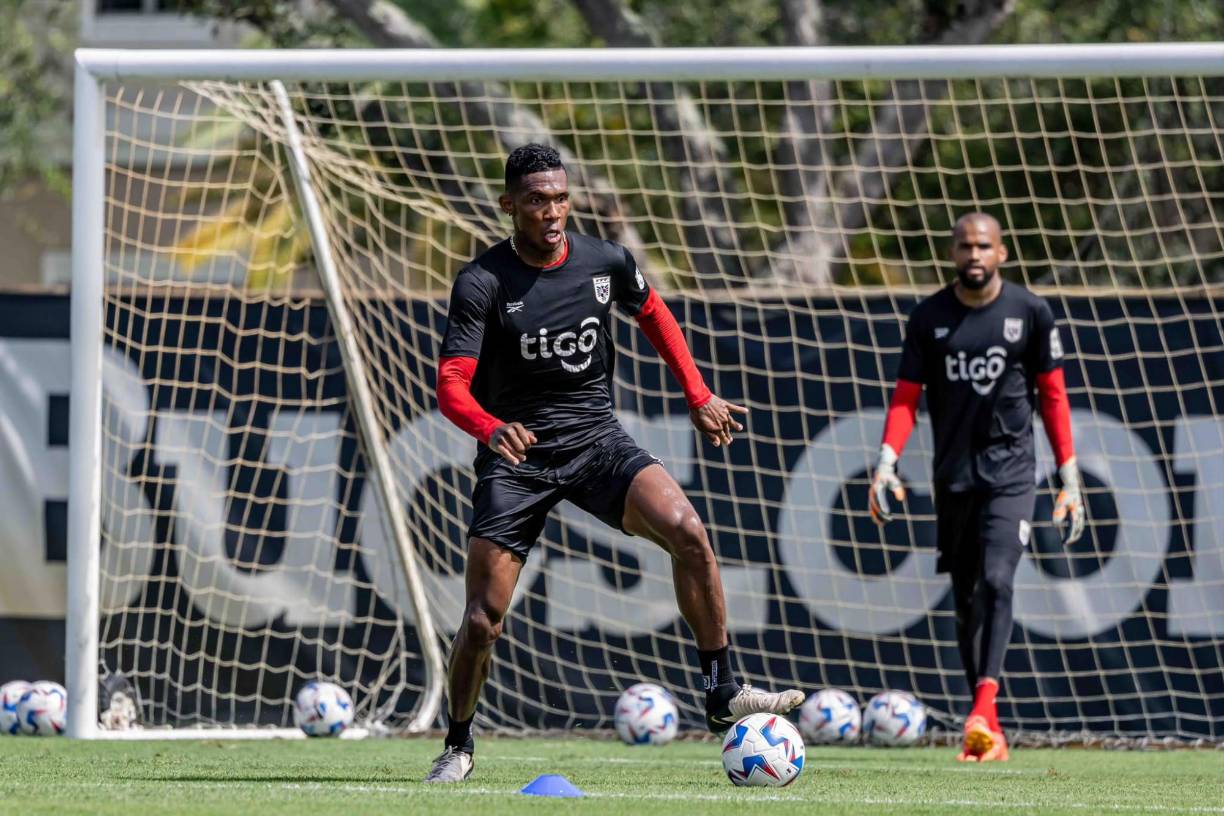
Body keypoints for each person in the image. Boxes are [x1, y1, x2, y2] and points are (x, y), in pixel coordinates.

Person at [425, 143, 803, 783]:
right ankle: (458, 744)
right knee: (483, 620)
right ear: (509, 206)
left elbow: (653, 312)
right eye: (538, 201)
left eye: (561, 198)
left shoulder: (604, 261)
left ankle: (721, 689)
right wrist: (491, 429)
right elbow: (451, 387)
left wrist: (698, 393)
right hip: (517, 457)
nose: (552, 212)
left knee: (689, 532)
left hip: (597, 440)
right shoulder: (483, 282)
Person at [868, 212, 1085, 762]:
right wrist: (887, 462)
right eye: (964, 245)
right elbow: (905, 398)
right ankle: (984, 722)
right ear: (952, 252)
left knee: (996, 579)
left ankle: (983, 712)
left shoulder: (1030, 312)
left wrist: (1069, 476)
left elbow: (1054, 398)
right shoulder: (929, 317)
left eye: (984, 246)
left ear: (1002, 253)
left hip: (1012, 473)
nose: (974, 255)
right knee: (966, 599)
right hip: (954, 478)